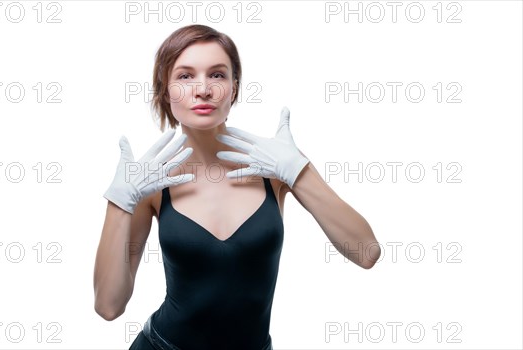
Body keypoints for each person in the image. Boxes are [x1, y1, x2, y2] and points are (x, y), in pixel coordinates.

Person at [93, 24, 381, 350]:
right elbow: (109, 306)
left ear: (234, 88)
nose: (203, 89)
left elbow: (367, 252)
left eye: (217, 75)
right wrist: (118, 201)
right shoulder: (150, 184)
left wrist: (299, 172)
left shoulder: (275, 165)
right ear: (165, 91)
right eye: (185, 77)